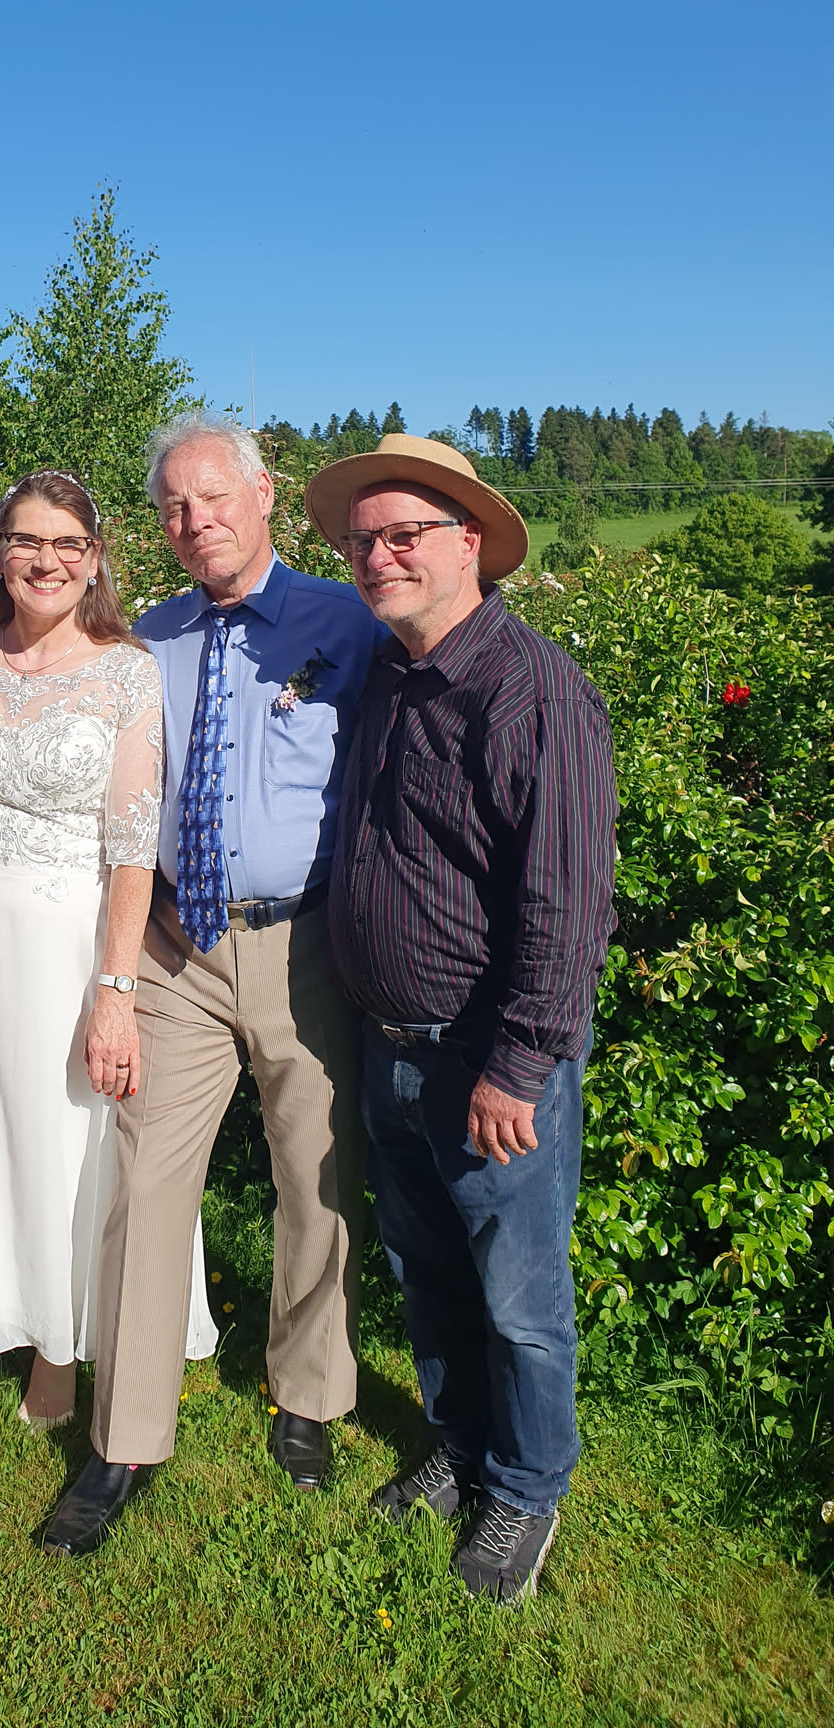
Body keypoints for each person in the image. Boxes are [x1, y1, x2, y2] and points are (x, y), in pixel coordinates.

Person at [41, 411, 380, 1557]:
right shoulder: (149, 640)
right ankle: (124, 1439)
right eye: (175, 507)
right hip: (178, 952)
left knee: (315, 1180)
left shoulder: (345, 624)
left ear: (264, 493)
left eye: (214, 497)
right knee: (145, 1186)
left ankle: (309, 1397)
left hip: (304, 947)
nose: (195, 521)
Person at [308, 433, 617, 1604]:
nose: (378, 556)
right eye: (362, 540)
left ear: (469, 542)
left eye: (405, 535)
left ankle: (526, 1490)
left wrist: (518, 1066)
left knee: (521, 1301)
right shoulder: (392, 672)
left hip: (486, 1061)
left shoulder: (532, 692)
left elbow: (566, 902)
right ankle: (463, 1443)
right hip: (391, 1046)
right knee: (431, 1273)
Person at [0, 471, 217, 1430]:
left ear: (95, 560)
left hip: (71, 943)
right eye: (25, 540)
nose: (45, 561)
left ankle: (60, 1344)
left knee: (66, 1138)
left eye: (67, 544)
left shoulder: (126, 671)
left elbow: (133, 844)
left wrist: (116, 989)